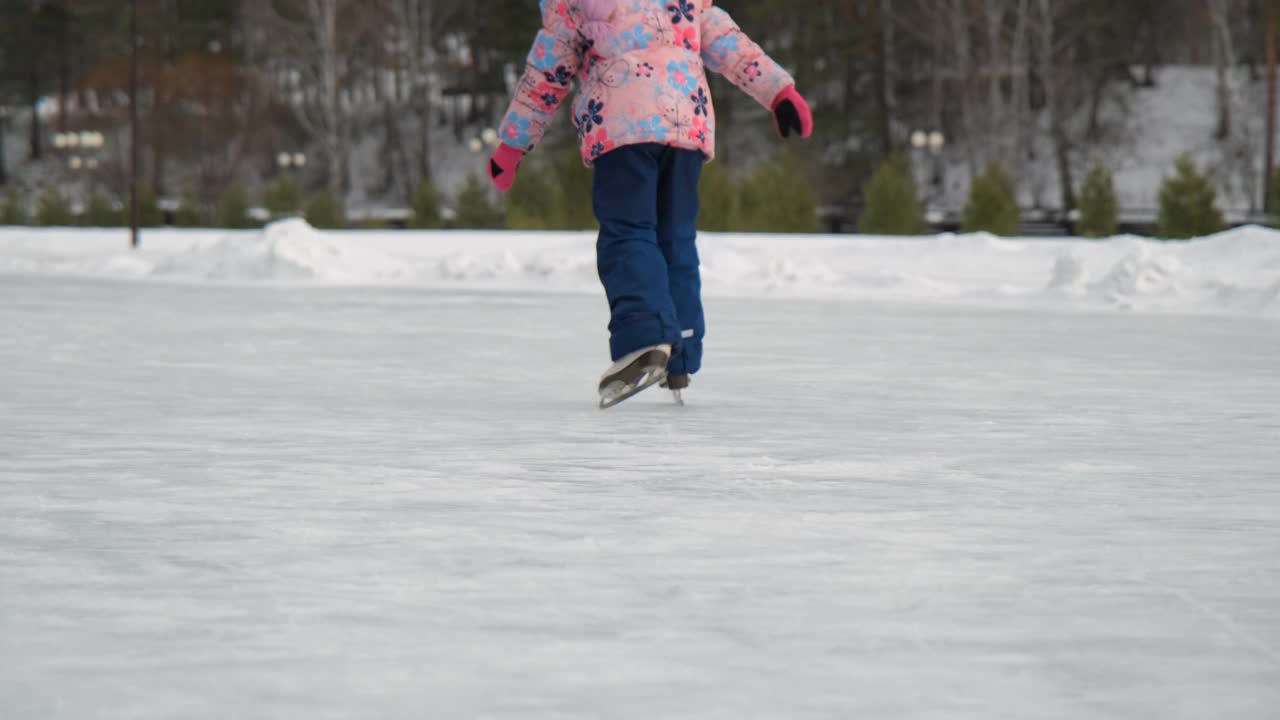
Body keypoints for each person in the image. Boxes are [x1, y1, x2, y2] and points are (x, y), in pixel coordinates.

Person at [487, 0, 813, 408]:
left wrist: (512, 145)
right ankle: (681, 351)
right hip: (685, 124)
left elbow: (547, 76)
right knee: (675, 238)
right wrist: (780, 92)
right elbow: (731, 45)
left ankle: (645, 337)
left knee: (628, 233)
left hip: (623, 122)